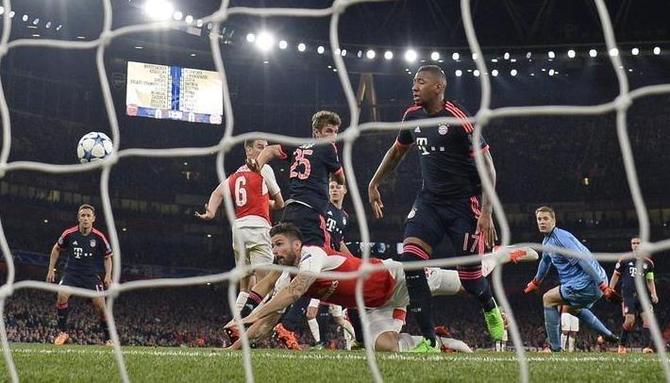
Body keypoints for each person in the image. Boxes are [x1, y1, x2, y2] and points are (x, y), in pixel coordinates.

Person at [367, 64, 502, 351]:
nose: (413, 87)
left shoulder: (458, 118)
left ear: (438, 87)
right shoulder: (411, 116)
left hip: (464, 206)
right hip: (429, 203)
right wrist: (374, 182)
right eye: (413, 82)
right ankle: (429, 340)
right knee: (411, 262)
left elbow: (488, 169)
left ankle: (488, 304)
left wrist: (487, 212)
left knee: (472, 281)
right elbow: (396, 152)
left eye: (420, 82)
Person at [226, 223, 474, 352]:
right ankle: (446, 344)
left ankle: (504, 255)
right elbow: (268, 324)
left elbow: (295, 292)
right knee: (385, 347)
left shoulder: (313, 254)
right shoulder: (285, 278)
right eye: (273, 246)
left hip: (395, 277)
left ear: (297, 245)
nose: (275, 251)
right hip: (376, 305)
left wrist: (249, 316)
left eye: (279, 244)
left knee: (467, 284)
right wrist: (234, 348)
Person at [247, 111, 345, 349]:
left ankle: (245, 314)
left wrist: (257, 165)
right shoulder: (328, 149)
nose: (333, 136)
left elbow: (269, 150)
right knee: (310, 273)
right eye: (328, 131)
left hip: (290, 211)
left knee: (276, 271)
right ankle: (284, 324)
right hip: (310, 215)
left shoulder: (297, 146)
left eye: (335, 132)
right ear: (317, 132)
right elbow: (340, 178)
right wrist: (339, 181)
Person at [196, 139, 284, 312]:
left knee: (245, 286)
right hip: (258, 227)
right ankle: (251, 330)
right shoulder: (264, 169)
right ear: (248, 150)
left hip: (238, 230)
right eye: (260, 147)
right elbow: (280, 203)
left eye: (266, 148)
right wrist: (274, 203)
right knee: (264, 284)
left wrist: (211, 213)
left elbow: (217, 192)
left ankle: (235, 326)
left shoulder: (236, 174)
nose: (264, 151)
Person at [524, 206, 620, 352]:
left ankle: (554, 348)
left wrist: (603, 286)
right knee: (572, 308)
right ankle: (607, 334)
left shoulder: (560, 240)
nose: (542, 222)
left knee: (548, 299)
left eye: (545, 219)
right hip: (596, 280)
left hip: (587, 282)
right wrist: (535, 282)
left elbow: (583, 261)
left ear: (554, 220)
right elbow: (545, 261)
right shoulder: (548, 240)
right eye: (539, 219)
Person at [46, 204, 113, 346]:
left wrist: (108, 275)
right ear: (78, 217)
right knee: (61, 295)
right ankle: (63, 333)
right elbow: (56, 248)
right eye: (83, 215)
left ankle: (108, 339)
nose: (85, 218)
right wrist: (51, 269)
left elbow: (107, 257)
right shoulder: (69, 233)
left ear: (93, 219)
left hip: (90, 276)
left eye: (88, 216)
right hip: (71, 274)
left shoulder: (99, 237)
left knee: (101, 306)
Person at [610, 237, 659, 353]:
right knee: (629, 321)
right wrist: (610, 288)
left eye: (638, 243)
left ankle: (646, 347)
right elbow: (616, 274)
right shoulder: (625, 259)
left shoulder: (648, 263)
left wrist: (654, 294)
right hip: (628, 295)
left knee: (648, 321)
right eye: (633, 243)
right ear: (631, 245)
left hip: (643, 297)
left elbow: (650, 280)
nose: (636, 245)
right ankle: (621, 346)